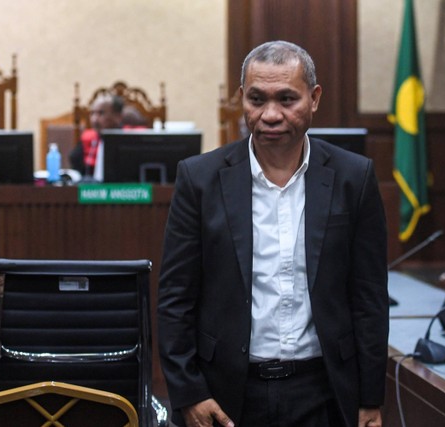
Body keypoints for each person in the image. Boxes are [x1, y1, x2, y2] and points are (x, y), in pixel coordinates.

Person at [157, 40, 388, 427]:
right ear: (241, 99)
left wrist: (369, 399)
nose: (270, 115)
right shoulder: (199, 179)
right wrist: (190, 393)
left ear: (314, 98)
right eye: (256, 99)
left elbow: (369, 299)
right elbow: (174, 298)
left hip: (325, 391)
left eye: (286, 99)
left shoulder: (354, 178)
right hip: (226, 394)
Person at [69, 93, 124, 179]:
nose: (94, 119)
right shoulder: (87, 138)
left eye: (101, 113)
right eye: (92, 113)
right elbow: (75, 166)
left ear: (118, 116)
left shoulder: (130, 140)